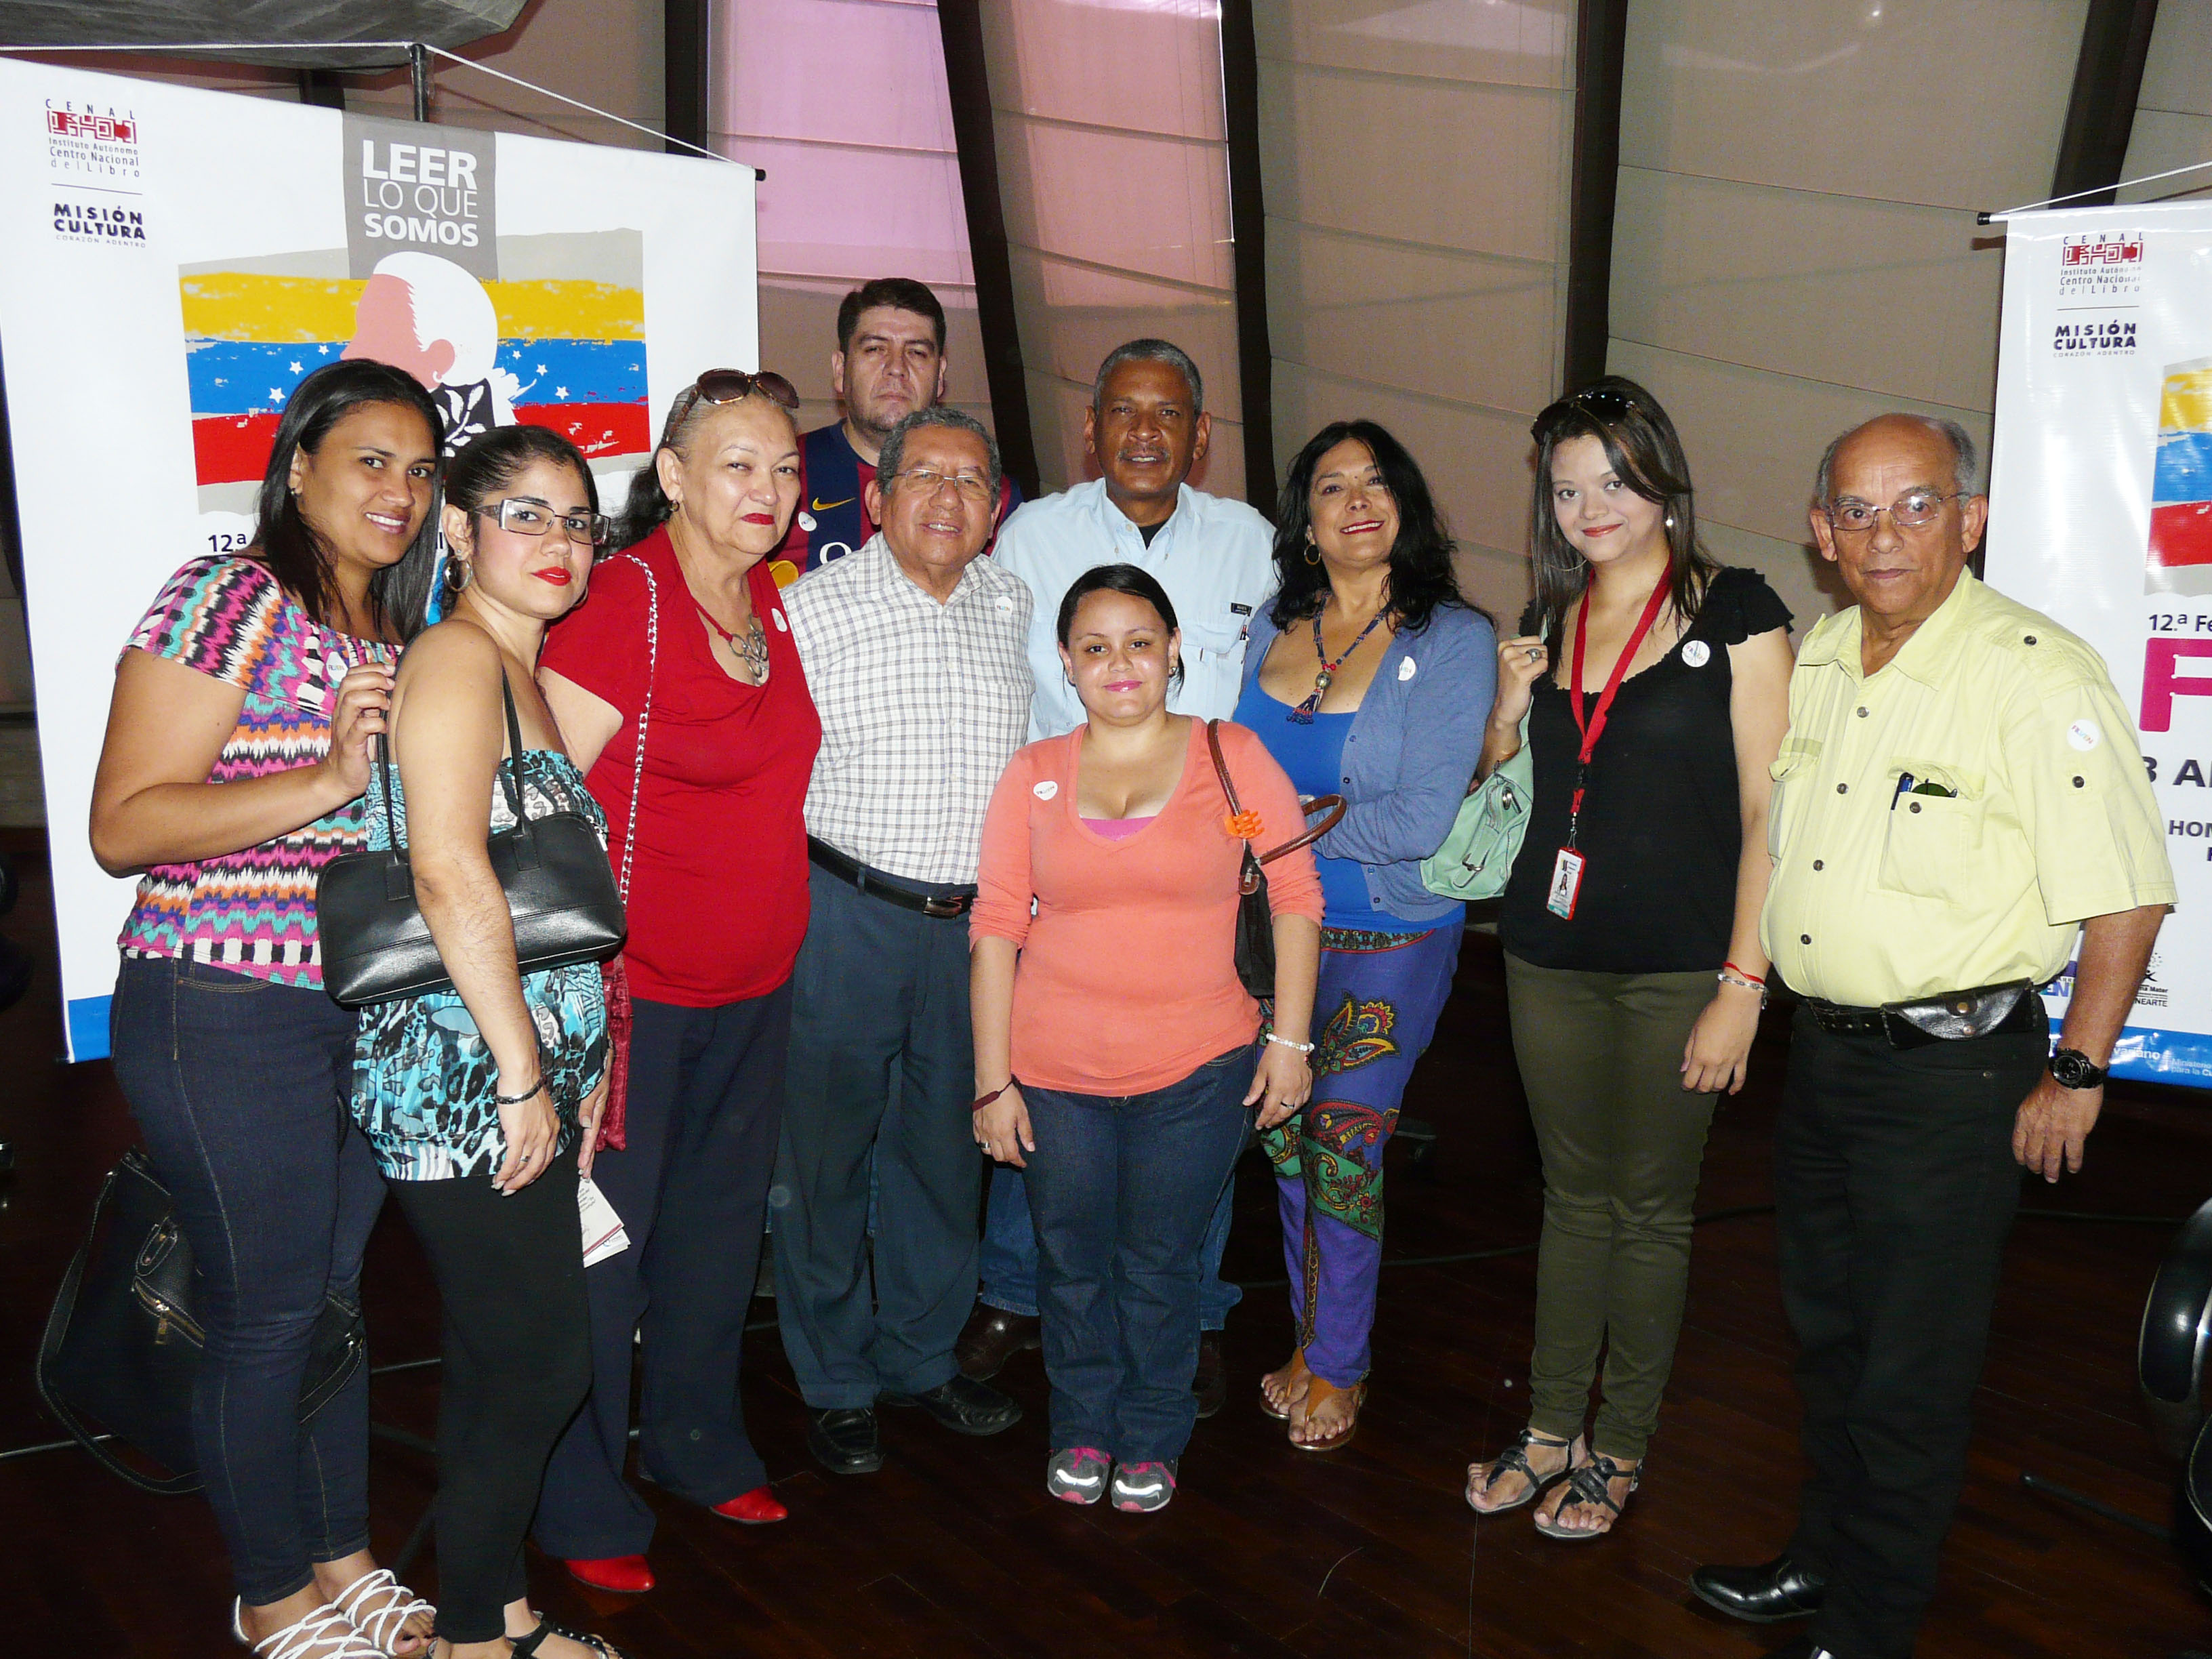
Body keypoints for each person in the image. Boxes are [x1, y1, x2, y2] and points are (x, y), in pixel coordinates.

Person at [1690, 414, 2172, 1659]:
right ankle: (1819, 1557)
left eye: (1915, 505)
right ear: (1817, 533)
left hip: (1954, 1080)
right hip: (1827, 1065)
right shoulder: (1829, 654)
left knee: (1908, 1368)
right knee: (1827, 1338)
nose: (1883, 532)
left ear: (1968, 520)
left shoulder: (2032, 671)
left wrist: (2075, 1069)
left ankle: (1871, 1618)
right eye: (1855, 509)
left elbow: (2125, 888)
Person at [90, 359, 443, 1659]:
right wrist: (325, 773)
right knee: (265, 1309)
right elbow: (124, 823)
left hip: (358, 1008)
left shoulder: (400, 635)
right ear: (298, 468)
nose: (399, 491)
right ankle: (270, 1593)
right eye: (370, 460)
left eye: (419, 469)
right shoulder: (227, 599)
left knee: (331, 1297)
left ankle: (342, 1560)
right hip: (222, 1000)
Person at [1462, 377, 1794, 1537]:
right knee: (1572, 1198)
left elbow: (1771, 813)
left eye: (1611, 478)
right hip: (1545, 954)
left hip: (1679, 970)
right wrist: (1505, 716)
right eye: (1565, 487)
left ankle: (1618, 1444)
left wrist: (1740, 987)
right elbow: (1510, 794)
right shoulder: (1546, 619)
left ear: (1659, 478)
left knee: (1648, 1207)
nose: (1588, 505)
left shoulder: (1738, 611)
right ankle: (1550, 1423)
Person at [535, 369, 821, 1594]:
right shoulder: (621, 602)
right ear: (674, 476)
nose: (766, 491)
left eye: (784, 468)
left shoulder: (770, 599)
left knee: (711, 1244)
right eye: (737, 465)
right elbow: (538, 814)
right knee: (606, 1256)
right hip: (634, 1001)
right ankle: (580, 1490)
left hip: (755, 990)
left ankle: (700, 1442)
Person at [350, 424, 630, 1659]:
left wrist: (580, 1060)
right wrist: (524, 1073)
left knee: (500, 1353)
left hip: (517, 1070)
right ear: (457, 532)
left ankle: (493, 1613)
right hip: (461, 1073)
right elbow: (449, 867)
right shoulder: (460, 659)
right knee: (539, 1363)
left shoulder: (520, 669)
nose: (559, 542)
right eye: (526, 514)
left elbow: (549, 900)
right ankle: (472, 1631)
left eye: (576, 520)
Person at [964, 337, 1276, 1412]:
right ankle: (1019, 1293)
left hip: (1201, 860)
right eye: (1124, 412)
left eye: (1170, 413)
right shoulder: (1034, 533)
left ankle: (1190, 1307)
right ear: (1091, 429)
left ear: (1201, 435)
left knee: (1200, 1077)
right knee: (1055, 1092)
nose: (1147, 432)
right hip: (1068, 846)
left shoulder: (1251, 543)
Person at [971, 563, 1322, 1511]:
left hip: (1199, 1068)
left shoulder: (1230, 761)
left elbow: (1292, 894)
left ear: (1173, 652)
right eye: (1095, 646)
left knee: (1161, 1264)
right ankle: (1083, 1426)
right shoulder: (1033, 775)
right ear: (1067, 664)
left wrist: (1290, 1044)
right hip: (1053, 1071)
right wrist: (991, 1082)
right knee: (1072, 1261)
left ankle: (1154, 1433)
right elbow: (997, 925)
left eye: (1138, 642)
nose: (1118, 663)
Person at [775, 405, 1032, 1475]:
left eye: (972, 481)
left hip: (973, 933)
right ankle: (834, 1376)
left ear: (993, 509)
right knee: (825, 1160)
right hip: (844, 912)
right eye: (924, 476)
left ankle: (922, 1358)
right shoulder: (811, 611)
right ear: (875, 498)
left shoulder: (1016, 605)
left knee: (942, 1155)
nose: (948, 498)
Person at [1233, 421, 1494, 1452]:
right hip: (1276, 935)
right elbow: (1232, 784)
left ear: (1408, 504)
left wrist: (1281, 834)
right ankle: (1308, 1341)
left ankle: (1341, 1361)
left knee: (1343, 1142)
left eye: (1378, 481)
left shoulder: (1453, 637)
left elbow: (1425, 819)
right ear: (1303, 519)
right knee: (1287, 1139)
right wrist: (1273, 833)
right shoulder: (1270, 626)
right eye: (1333, 485)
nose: (1357, 500)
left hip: (1391, 931)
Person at [768, 276, 1019, 578]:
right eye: (875, 349)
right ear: (840, 369)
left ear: (940, 375)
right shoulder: (779, 476)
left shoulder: (993, 495)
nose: (897, 367)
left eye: (917, 353)